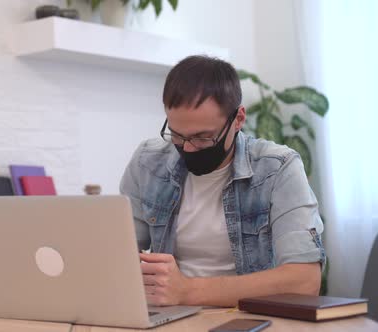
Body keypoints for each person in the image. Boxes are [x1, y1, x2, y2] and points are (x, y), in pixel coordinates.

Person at [120, 55, 325, 307]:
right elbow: (118, 255)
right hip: (171, 316)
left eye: (203, 137)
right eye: (176, 134)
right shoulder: (148, 162)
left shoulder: (277, 168)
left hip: (248, 318)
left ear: (238, 119)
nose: (189, 148)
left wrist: (187, 291)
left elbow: (304, 281)